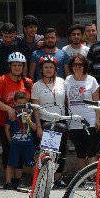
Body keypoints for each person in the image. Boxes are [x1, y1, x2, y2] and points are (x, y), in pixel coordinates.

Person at [0, 52, 34, 182]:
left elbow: (31, 102)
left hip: (23, 124)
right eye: (14, 65)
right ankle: (8, 180)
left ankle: (18, 179)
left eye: (20, 65)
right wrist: (8, 108)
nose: (17, 68)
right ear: (10, 66)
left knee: (21, 151)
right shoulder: (2, 80)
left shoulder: (27, 82)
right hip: (4, 122)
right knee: (8, 150)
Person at [31, 54, 68, 187]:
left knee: (61, 152)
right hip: (45, 121)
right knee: (46, 152)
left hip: (61, 121)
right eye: (46, 67)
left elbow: (67, 101)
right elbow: (35, 108)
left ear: (55, 69)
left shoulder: (62, 82)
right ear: (41, 69)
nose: (48, 70)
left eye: (51, 67)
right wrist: (39, 126)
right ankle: (45, 178)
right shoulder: (37, 85)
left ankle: (57, 178)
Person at [65, 54, 100, 166]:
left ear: (84, 65)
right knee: (80, 153)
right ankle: (83, 181)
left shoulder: (92, 80)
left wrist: (98, 119)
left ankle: (93, 178)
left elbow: (96, 102)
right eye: (75, 64)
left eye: (80, 64)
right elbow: (66, 100)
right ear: (71, 66)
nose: (77, 66)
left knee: (91, 152)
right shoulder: (68, 80)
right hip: (74, 122)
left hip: (89, 120)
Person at [4, 92, 36, 192]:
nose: (21, 106)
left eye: (24, 103)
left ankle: (35, 183)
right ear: (15, 103)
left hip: (28, 144)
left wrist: (29, 120)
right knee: (11, 163)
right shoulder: (12, 113)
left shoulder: (31, 114)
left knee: (31, 163)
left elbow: (34, 128)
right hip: (15, 144)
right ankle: (8, 182)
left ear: (28, 103)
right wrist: (10, 140)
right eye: (19, 103)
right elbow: (6, 128)